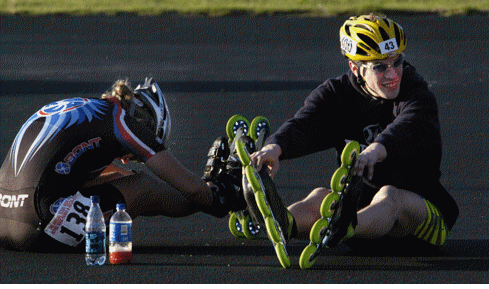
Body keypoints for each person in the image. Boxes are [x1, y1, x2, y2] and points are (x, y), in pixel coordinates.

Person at [245, 14, 459, 253]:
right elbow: (305, 123)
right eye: (380, 67)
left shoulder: (416, 93)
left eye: (397, 62)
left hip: (422, 224)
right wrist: (275, 147)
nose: (393, 74)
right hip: (365, 219)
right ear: (355, 67)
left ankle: (343, 227)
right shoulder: (337, 94)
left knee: (391, 196)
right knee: (321, 197)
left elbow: (409, 125)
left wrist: (376, 150)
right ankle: (284, 224)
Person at [0, 78, 244, 251]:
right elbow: (170, 188)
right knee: (144, 186)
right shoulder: (122, 121)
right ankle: (224, 192)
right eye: (136, 154)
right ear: (144, 122)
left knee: (130, 184)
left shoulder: (84, 107)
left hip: (4, 222)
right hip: (37, 225)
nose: (128, 159)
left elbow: (97, 177)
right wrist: (214, 196)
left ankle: (214, 192)